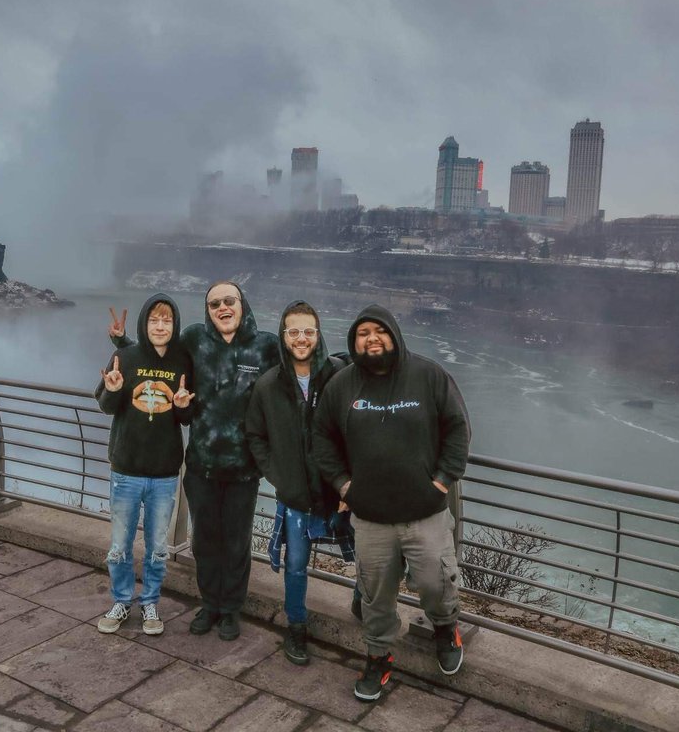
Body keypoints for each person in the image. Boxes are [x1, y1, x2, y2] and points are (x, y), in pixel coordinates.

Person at [313, 304, 471, 702]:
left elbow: (458, 428)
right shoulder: (343, 385)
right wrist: (345, 487)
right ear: (354, 340)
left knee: (436, 583)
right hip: (371, 518)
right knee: (375, 594)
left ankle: (444, 627)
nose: (371, 339)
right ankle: (379, 656)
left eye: (378, 331)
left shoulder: (429, 375)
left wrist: (440, 482)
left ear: (394, 335)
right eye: (363, 333)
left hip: (426, 512)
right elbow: (322, 439)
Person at [109, 280, 277, 640]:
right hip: (201, 463)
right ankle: (210, 604)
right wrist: (122, 344)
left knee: (236, 541)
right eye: (214, 303)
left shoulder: (265, 346)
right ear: (208, 311)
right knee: (204, 541)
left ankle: (231, 609)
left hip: (244, 469)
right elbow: (157, 351)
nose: (222, 308)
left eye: (229, 301)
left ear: (242, 305)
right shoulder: (196, 340)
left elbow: (300, 366)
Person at [246, 300, 355, 666]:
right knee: (295, 566)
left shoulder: (339, 377)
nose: (301, 338)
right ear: (283, 335)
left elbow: (357, 432)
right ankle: (296, 627)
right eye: (293, 331)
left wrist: (349, 485)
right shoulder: (268, 385)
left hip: (339, 491)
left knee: (369, 561)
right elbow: (256, 436)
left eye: (308, 331)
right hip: (294, 494)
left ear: (318, 334)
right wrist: (278, 475)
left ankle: (364, 605)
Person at [95, 293, 194, 636]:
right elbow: (106, 405)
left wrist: (182, 404)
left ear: (175, 325)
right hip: (126, 470)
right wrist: (112, 389)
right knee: (120, 546)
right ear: (145, 324)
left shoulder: (183, 361)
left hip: (165, 473)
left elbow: (186, 415)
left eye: (167, 320)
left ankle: (150, 601)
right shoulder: (124, 356)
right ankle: (121, 600)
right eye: (155, 320)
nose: (161, 326)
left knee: (157, 549)